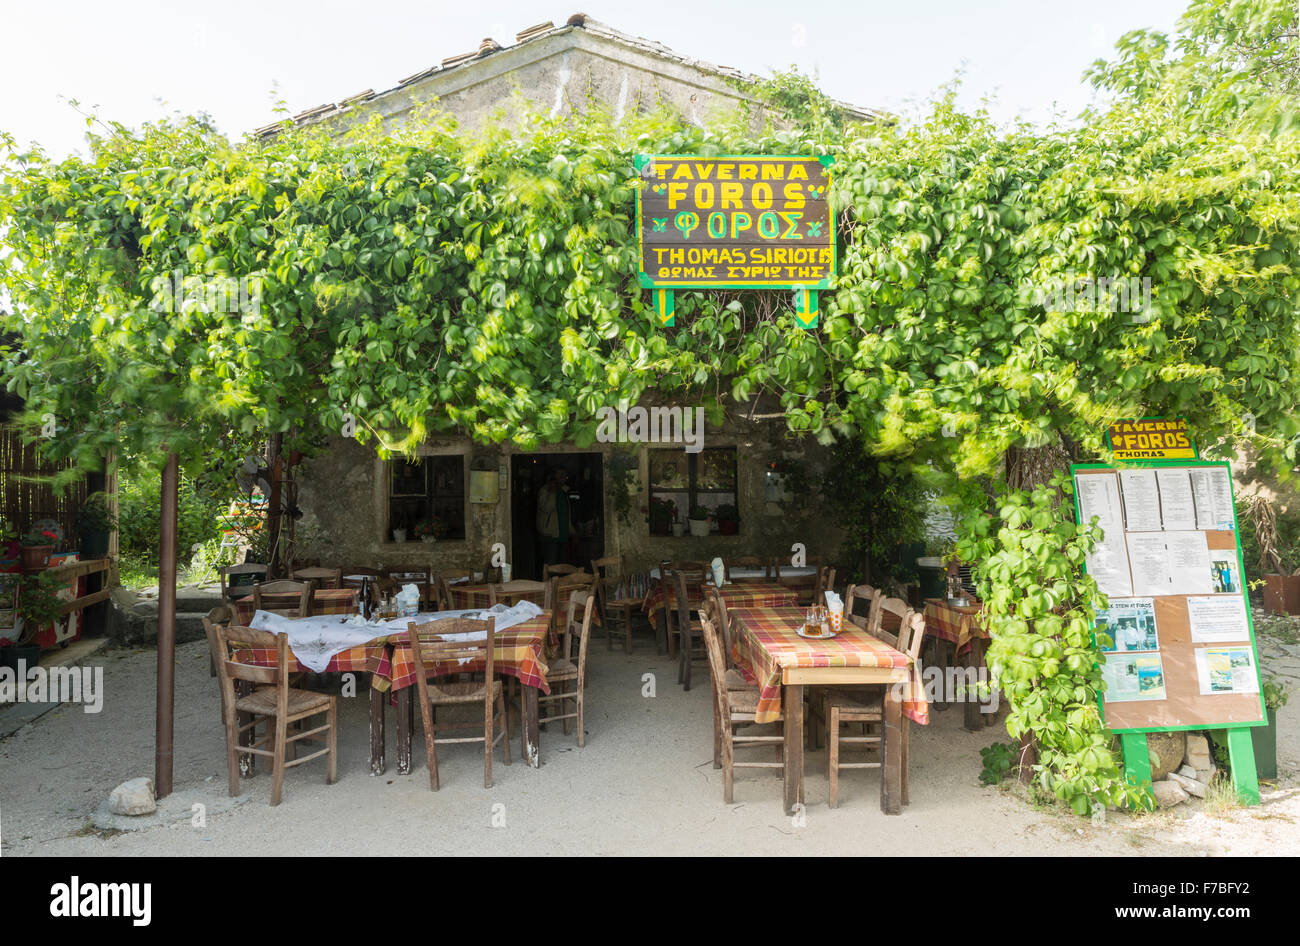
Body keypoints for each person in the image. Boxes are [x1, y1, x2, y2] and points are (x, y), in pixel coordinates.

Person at [536, 467, 571, 569]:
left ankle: (560, 585)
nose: (563, 478)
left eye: (565, 475)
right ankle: (549, 585)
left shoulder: (564, 492)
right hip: (550, 536)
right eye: (560, 475)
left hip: (563, 536)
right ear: (553, 477)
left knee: (562, 568)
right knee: (550, 567)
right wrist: (552, 492)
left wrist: (572, 531)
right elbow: (546, 508)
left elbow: (566, 514)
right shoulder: (545, 491)